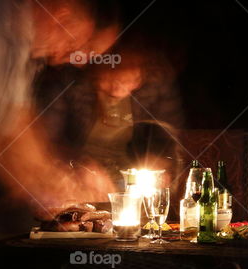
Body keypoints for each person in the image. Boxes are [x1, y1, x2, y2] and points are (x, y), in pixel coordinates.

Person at [0, 0, 109, 229]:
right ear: (61, 18)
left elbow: (17, 116)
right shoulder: (4, 29)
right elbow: (4, 134)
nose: (76, 61)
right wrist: (44, 185)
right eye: (77, 45)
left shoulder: (24, 46)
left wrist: (57, 175)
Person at [37, 42, 183, 188]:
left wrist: (158, 162)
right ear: (96, 71)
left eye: (127, 81)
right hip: (78, 180)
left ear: (141, 76)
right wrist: (78, 165)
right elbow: (47, 138)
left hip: (130, 179)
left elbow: (167, 134)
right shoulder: (69, 85)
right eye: (109, 80)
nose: (116, 90)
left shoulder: (155, 87)